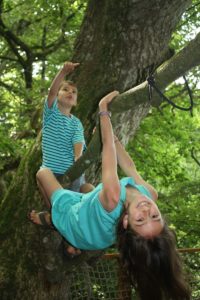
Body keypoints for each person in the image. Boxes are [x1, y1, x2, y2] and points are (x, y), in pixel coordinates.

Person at [30, 91, 191, 300]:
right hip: (97, 237)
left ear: (125, 221)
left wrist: (103, 109)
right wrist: (114, 139)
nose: (146, 209)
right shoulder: (149, 194)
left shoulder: (114, 196)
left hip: (78, 225)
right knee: (87, 187)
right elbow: (129, 166)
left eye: (141, 220)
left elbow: (108, 153)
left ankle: (55, 218)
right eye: (155, 216)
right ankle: (74, 244)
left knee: (42, 173)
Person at [39, 61, 87, 195]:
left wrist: (78, 159)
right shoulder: (51, 113)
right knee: (45, 183)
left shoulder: (76, 122)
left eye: (74, 92)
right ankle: (50, 215)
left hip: (72, 171)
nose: (70, 92)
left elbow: (78, 141)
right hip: (51, 172)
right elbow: (52, 92)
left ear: (76, 101)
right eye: (65, 89)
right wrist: (63, 72)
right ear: (57, 95)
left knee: (81, 190)